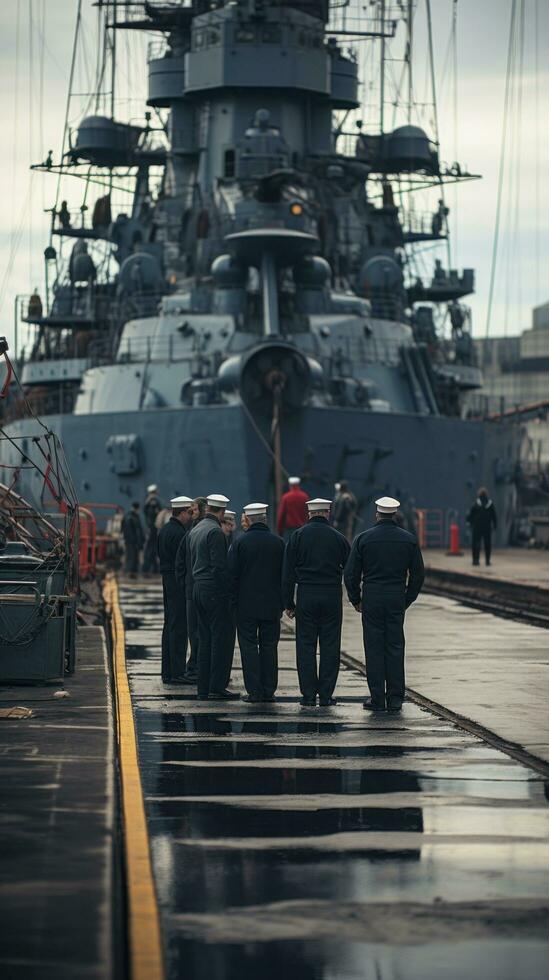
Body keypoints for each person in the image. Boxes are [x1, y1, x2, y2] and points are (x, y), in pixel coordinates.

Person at [344, 495, 424, 714]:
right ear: (395, 514)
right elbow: (418, 575)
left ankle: (377, 697)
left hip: (372, 597)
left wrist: (356, 598)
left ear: (377, 514)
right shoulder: (408, 540)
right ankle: (396, 698)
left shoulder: (363, 539)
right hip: (396, 596)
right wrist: (407, 599)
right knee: (395, 646)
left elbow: (350, 574)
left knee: (374, 647)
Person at [282, 498, 350, 707]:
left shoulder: (297, 536)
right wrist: (355, 597)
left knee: (305, 645)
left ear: (309, 513)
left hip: (306, 594)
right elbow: (351, 570)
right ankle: (327, 695)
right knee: (330, 645)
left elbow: (287, 574)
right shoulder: (339, 538)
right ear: (328, 513)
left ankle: (308, 695)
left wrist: (288, 603)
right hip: (331, 594)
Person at [229, 503, 285, 703]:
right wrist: (284, 602)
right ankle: (269, 689)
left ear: (249, 520)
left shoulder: (239, 543)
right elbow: (284, 576)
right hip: (272, 605)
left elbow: (232, 575)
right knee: (270, 646)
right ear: (265, 519)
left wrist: (233, 602)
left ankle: (254, 690)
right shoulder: (278, 543)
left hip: (246, 605)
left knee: (249, 646)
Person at [188, 493, 238, 701]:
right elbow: (219, 567)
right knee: (219, 639)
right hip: (213, 591)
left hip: (198, 588)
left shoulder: (196, 529)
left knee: (204, 639)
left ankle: (203, 686)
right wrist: (228, 593)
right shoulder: (216, 532)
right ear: (223, 511)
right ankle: (217, 687)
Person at [158, 495, 194, 684]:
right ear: (181, 513)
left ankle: (167, 671)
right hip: (177, 582)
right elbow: (182, 561)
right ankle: (177, 672)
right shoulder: (180, 533)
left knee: (169, 625)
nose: (190, 516)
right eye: (188, 513)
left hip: (166, 580)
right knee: (179, 627)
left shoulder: (164, 530)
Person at [175, 496, 206, 683]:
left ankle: (195, 667)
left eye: (193, 508)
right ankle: (196, 668)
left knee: (196, 631)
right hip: (198, 589)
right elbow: (180, 561)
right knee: (198, 631)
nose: (190, 511)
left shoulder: (192, 531)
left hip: (192, 589)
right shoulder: (200, 531)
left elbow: (180, 562)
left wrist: (185, 583)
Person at [467, 487, 497, 566]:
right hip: (487, 527)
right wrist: (495, 525)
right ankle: (487, 561)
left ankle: (475, 560)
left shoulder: (476, 503)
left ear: (479, 494)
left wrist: (469, 523)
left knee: (476, 543)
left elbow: (471, 514)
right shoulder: (490, 503)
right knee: (487, 544)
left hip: (477, 527)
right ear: (486, 494)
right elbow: (494, 516)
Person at [143, 484, 162, 574]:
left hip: (153, 528)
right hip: (152, 528)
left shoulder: (151, 502)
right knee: (151, 550)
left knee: (152, 549)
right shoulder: (151, 503)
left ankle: (151, 568)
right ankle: (149, 568)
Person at [121, 502, 145, 578]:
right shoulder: (132, 517)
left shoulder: (129, 516)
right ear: (137, 508)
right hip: (132, 541)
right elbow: (134, 531)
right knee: (131, 557)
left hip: (132, 541)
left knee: (132, 557)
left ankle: (132, 572)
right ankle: (130, 572)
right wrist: (136, 541)